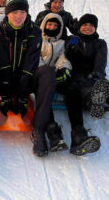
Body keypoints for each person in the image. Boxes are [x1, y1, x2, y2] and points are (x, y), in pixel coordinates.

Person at [0, 0, 55, 157]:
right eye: (15, 12)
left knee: (48, 72)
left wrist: (24, 89)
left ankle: (38, 130)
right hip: (5, 77)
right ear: (7, 12)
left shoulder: (35, 31)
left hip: (27, 77)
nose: (19, 16)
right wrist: (6, 92)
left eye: (22, 12)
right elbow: (1, 60)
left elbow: (32, 59)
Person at [59, 13, 107, 155]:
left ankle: (96, 101)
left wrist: (97, 73)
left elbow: (101, 60)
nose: (87, 27)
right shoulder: (72, 39)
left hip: (93, 76)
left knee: (98, 86)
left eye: (91, 25)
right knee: (74, 91)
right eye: (85, 25)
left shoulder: (100, 43)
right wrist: (70, 49)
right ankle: (79, 136)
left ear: (95, 28)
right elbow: (65, 58)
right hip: (74, 75)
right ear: (80, 26)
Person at [39, 13, 72, 152]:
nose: (52, 27)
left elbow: (62, 57)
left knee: (71, 87)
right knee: (43, 96)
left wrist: (63, 68)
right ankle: (53, 133)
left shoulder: (61, 43)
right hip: (40, 76)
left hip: (54, 76)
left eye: (55, 25)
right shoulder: (37, 40)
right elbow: (35, 58)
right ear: (44, 25)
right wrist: (46, 71)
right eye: (49, 24)